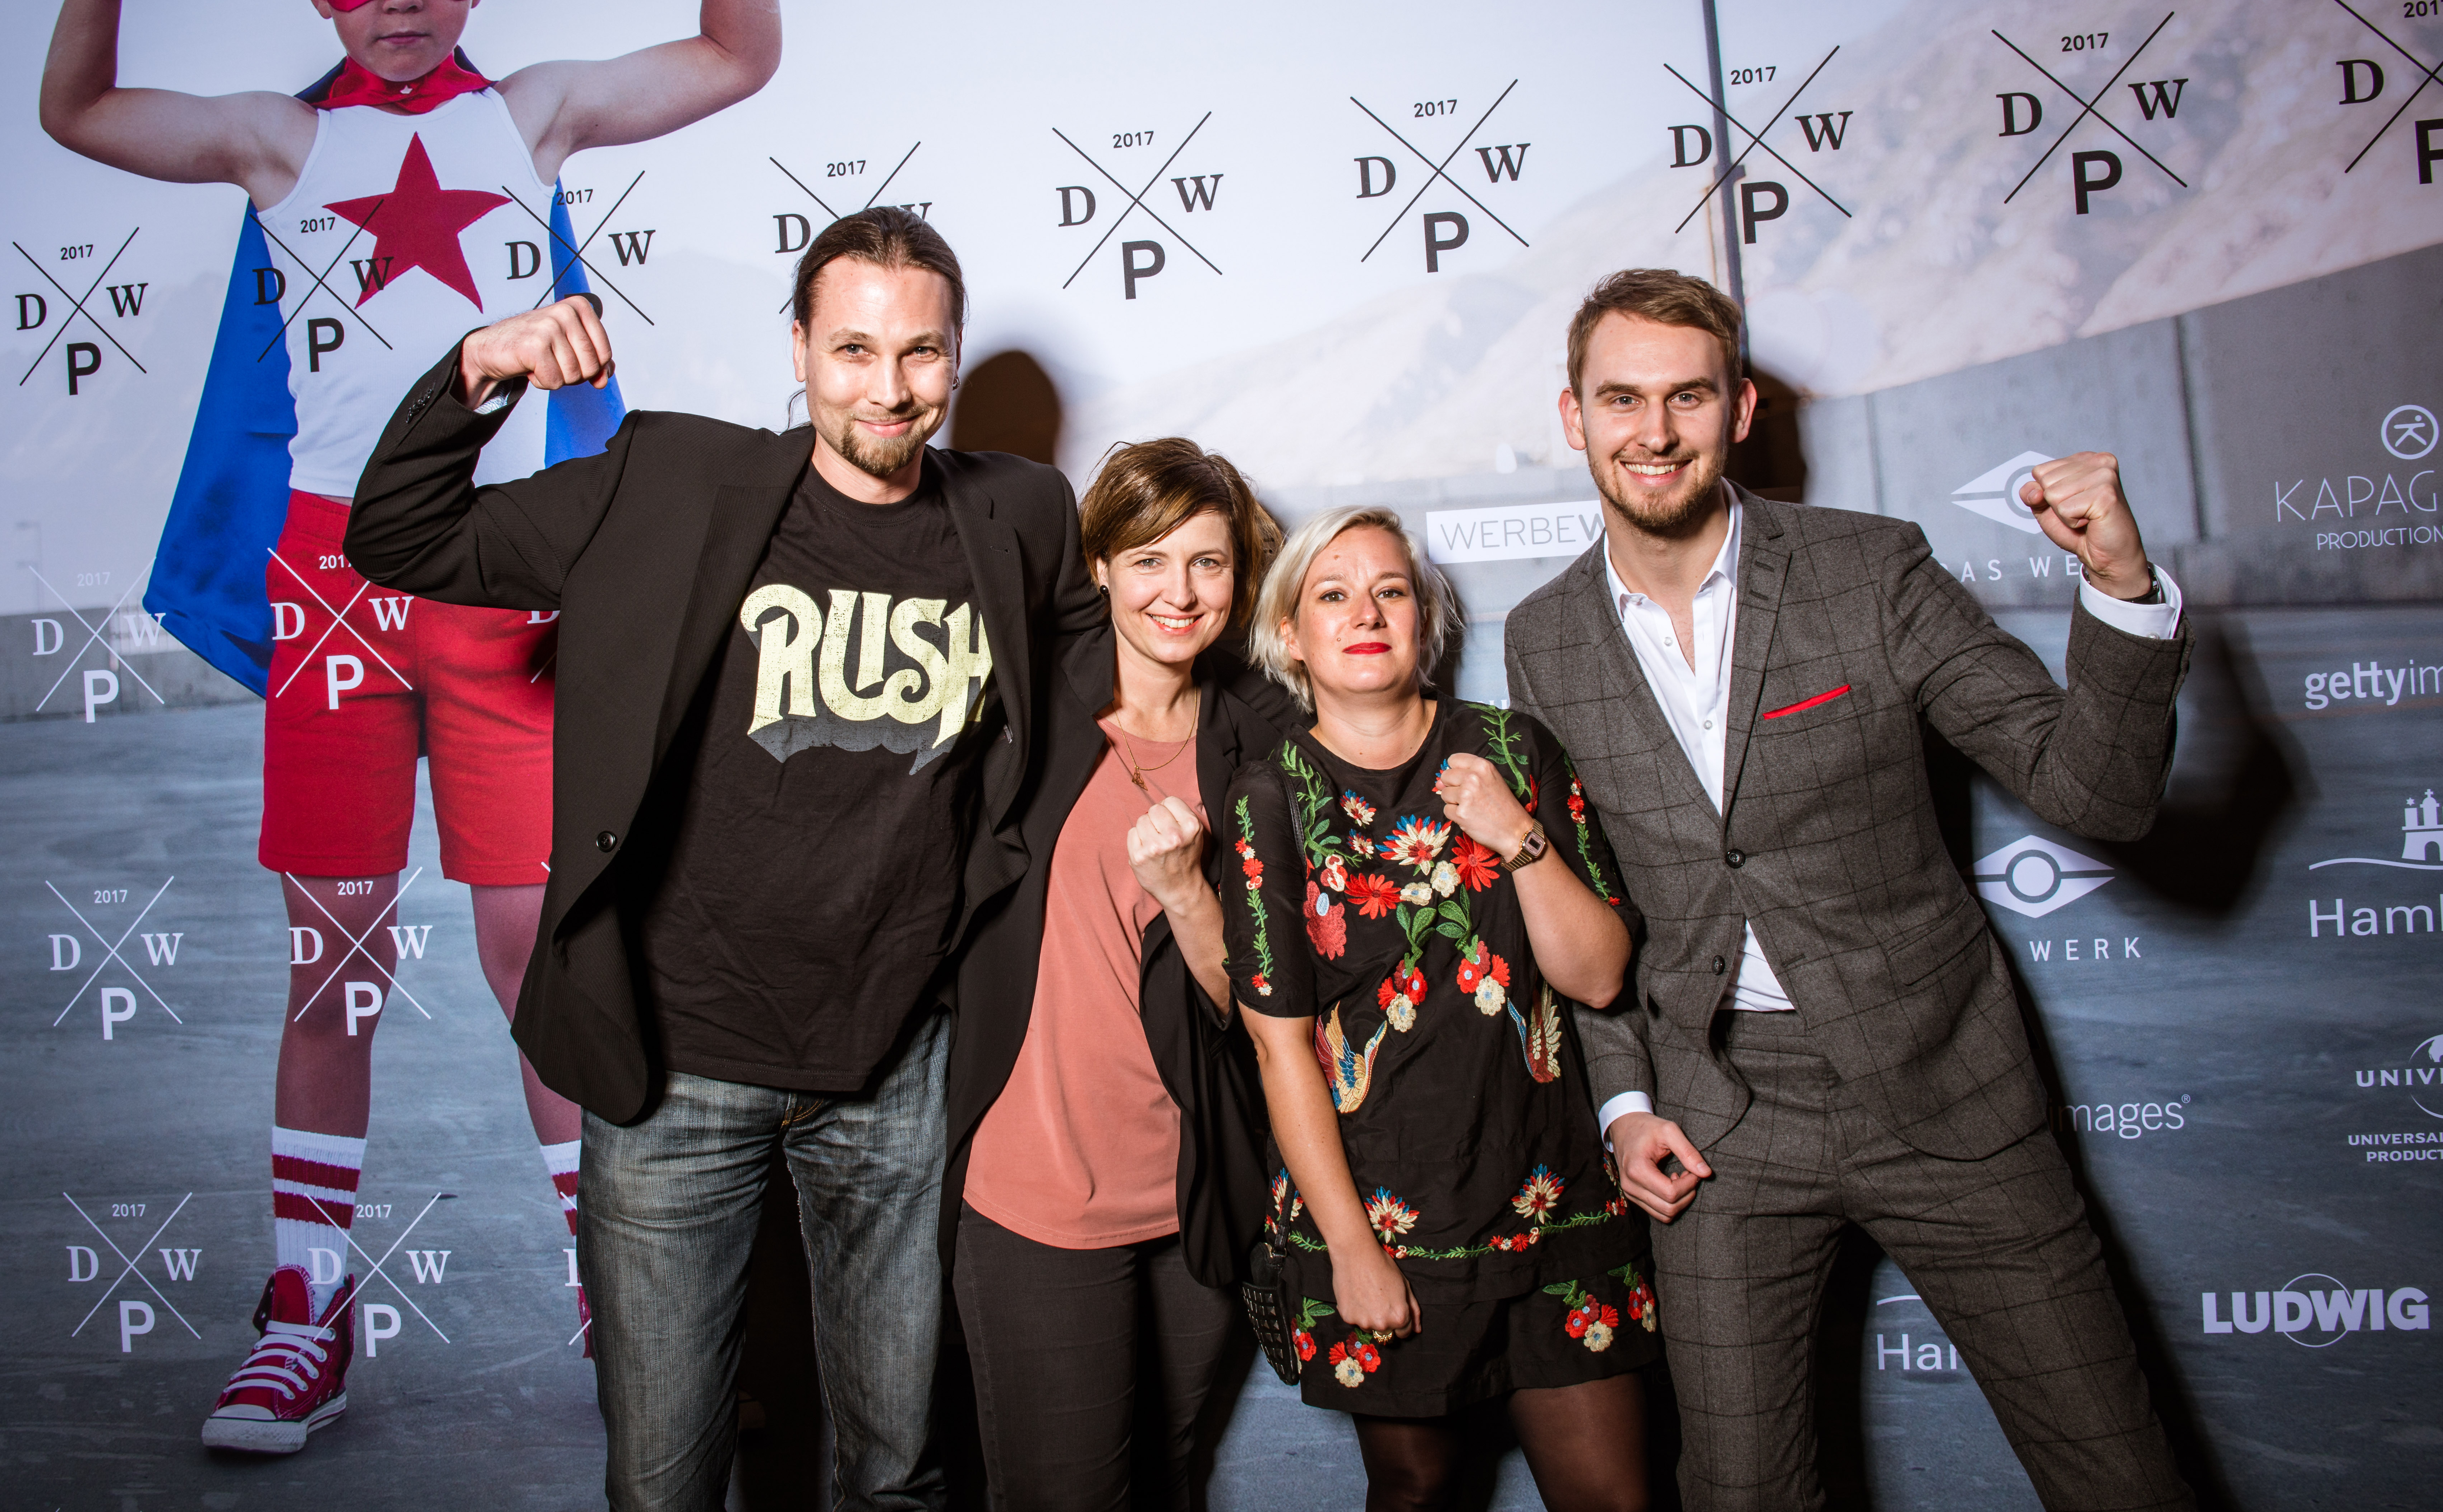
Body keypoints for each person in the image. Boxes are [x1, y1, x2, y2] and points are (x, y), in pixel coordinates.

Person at [36, 0, 779, 1452]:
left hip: (505, 579)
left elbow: (738, 56)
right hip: (334, 587)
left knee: (540, 952)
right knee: (339, 959)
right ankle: (308, 1305)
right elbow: (74, 107)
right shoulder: (273, 141)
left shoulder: (533, 112)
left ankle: (619, 1291)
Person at [344, 209, 1102, 1512]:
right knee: (664, 1486)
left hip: (895, 1070)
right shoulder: (672, 483)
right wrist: (481, 367)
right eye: (853, 349)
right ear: (799, 349)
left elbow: (1101, 665)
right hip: (677, 1071)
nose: (888, 388)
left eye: (920, 353)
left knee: (898, 1478)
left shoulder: (1020, 511)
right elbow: (401, 537)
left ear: (955, 357)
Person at [1502, 268, 2193, 1512]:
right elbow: (1592, 904)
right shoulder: (1544, 637)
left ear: (1740, 410)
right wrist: (1626, 1105)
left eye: (1687, 397)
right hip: (1721, 1124)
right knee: (1744, 1492)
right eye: (1621, 400)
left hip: (1945, 1087)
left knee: (2117, 1473)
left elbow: (2098, 796)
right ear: (1575, 418)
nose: (1654, 431)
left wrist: (2121, 586)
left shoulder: (1870, 568)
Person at [1225, 507, 1659, 1512]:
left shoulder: (1513, 749)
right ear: (1292, 634)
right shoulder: (1271, 796)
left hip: (1553, 1208)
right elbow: (1283, 1052)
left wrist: (1517, 837)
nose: (1366, 614)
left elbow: (1600, 978)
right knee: (1418, 1491)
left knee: (1614, 1498)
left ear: (1425, 617)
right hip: (1383, 1222)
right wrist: (1350, 1251)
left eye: (1391, 591)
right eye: (1333, 595)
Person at [946, 438, 1295, 1511]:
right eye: (1149, 560)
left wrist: (1188, 893)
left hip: (1197, 1190)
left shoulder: (1263, 739)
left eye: (1207, 562)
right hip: (1037, 1191)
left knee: (1168, 1482)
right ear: (1097, 565)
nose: (1178, 593)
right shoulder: (1020, 704)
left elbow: (1257, 1002)